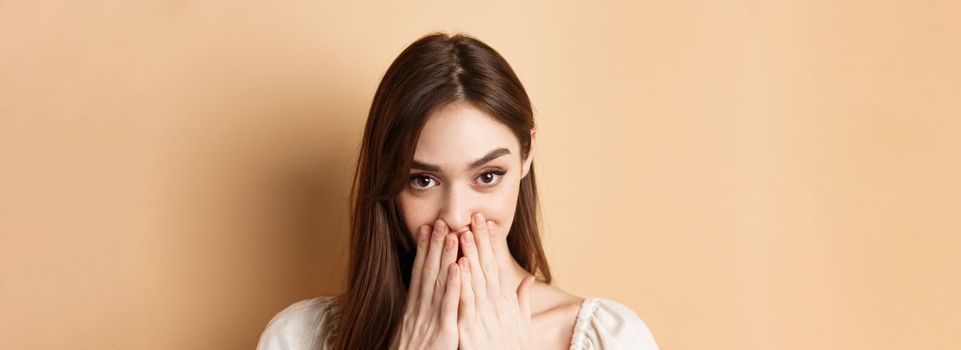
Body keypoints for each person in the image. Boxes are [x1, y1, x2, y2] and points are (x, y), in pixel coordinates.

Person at [256, 32, 659, 350]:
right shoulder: (300, 338)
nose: (456, 215)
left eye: (487, 176)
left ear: (526, 154)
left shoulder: (611, 340)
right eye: (423, 180)